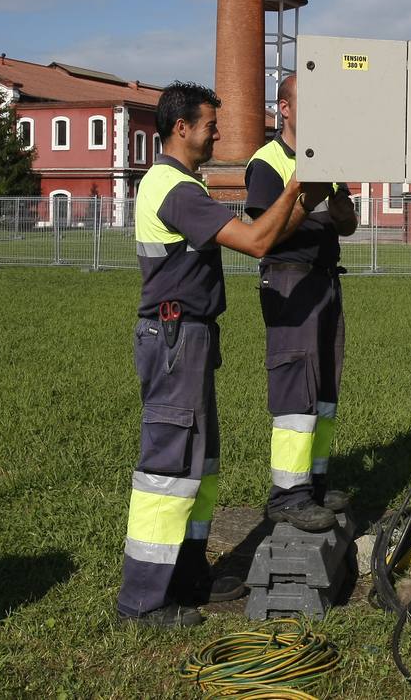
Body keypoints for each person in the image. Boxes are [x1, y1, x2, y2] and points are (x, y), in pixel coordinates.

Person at [117, 80, 330, 628]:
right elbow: (259, 241)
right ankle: (142, 601)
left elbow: (263, 230)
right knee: (168, 467)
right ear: (181, 127)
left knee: (199, 464)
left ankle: (188, 575)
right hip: (173, 338)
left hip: (190, 335)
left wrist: (300, 200)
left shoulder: (182, 183)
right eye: (210, 125)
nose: (217, 135)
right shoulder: (175, 189)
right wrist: (298, 186)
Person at [245, 74, 358, 532]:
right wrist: (309, 204)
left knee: (325, 390)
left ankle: (314, 482)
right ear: (284, 108)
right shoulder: (267, 164)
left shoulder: (326, 161)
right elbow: (265, 232)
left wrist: (340, 211)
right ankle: (287, 494)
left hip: (325, 281)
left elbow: (346, 224)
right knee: (296, 388)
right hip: (289, 282)